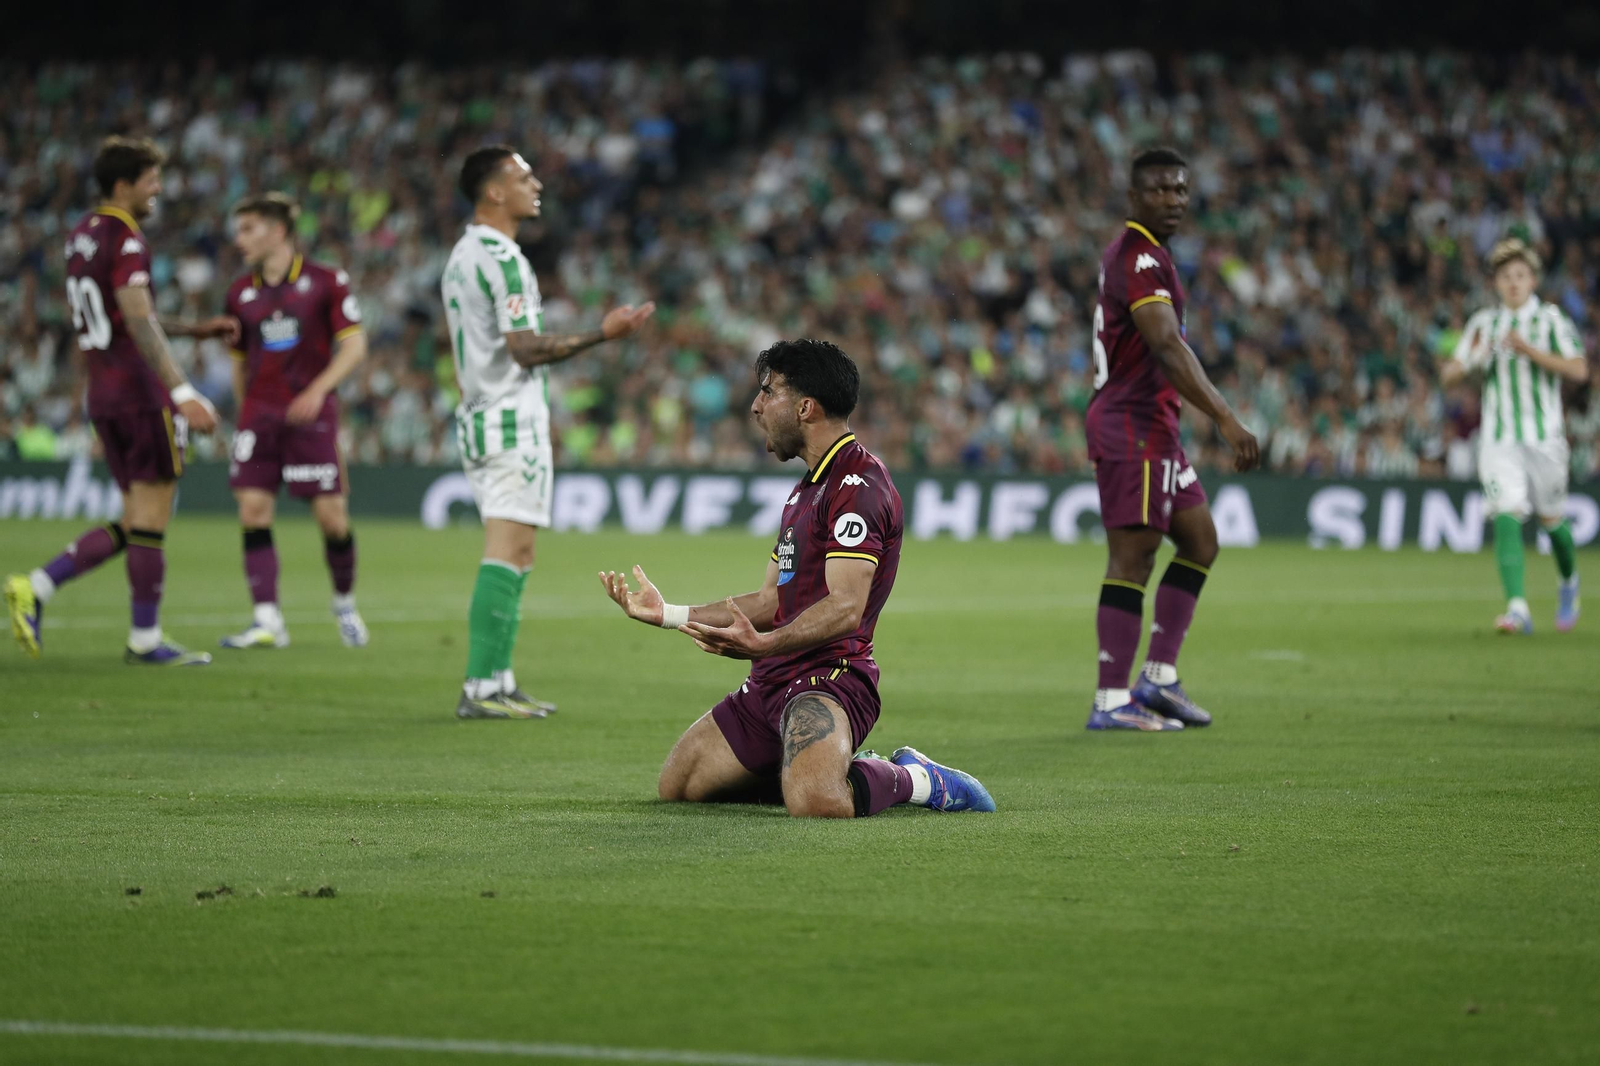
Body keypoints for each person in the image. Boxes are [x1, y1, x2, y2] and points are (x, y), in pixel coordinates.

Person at [600, 339, 995, 817]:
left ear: (805, 407)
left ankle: (914, 778)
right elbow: (771, 600)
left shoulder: (859, 486)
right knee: (679, 786)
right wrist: (671, 614)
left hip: (829, 678)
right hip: (770, 681)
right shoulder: (803, 492)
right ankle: (808, 766)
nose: (756, 406)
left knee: (817, 804)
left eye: (768, 392)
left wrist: (767, 645)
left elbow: (846, 605)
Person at [441, 144, 655, 718]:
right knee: (507, 548)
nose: (535, 185)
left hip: (484, 414)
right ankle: (482, 687)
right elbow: (526, 348)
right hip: (509, 417)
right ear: (493, 191)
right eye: (523, 176)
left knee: (520, 549)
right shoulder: (502, 256)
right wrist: (603, 335)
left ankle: (499, 678)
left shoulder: (465, 253)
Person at [5, 136, 235, 665]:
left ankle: (37, 585)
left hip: (102, 395)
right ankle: (144, 639)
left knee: (137, 517)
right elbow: (135, 316)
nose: (158, 189)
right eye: (151, 180)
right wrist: (182, 391)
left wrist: (193, 330)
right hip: (139, 392)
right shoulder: (127, 237)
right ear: (123, 185)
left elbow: (123, 315)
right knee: (151, 519)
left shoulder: (81, 236)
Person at [1085, 147, 1261, 731]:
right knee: (1132, 558)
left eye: (1181, 190)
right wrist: (1225, 417)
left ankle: (1158, 677)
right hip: (1131, 426)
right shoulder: (1137, 258)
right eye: (1160, 190)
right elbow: (1165, 344)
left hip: (1155, 426)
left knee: (1200, 541)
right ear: (1135, 197)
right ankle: (1111, 700)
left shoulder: (1152, 256)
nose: (1174, 200)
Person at [217, 193, 370, 650]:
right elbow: (239, 362)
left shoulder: (325, 281)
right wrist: (247, 415)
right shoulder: (239, 293)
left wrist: (319, 390)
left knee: (332, 519)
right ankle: (268, 619)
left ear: (278, 231)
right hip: (260, 419)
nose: (239, 239)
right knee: (253, 511)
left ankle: (343, 602)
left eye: (249, 229)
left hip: (311, 417)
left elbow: (355, 345)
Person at [1443, 237, 1588, 633]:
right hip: (1499, 437)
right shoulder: (1483, 323)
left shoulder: (1551, 320)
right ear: (1496, 282)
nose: (1513, 282)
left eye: (1520, 275)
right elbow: (1448, 374)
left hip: (1545, 438)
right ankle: (1518, 608)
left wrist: (1529, 350)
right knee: (1505, 512)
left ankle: (1568, 582)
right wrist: (1473, 359)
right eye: (1506, 276)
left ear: (1534, 280)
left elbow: (1579, 371)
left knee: (1552, 520)